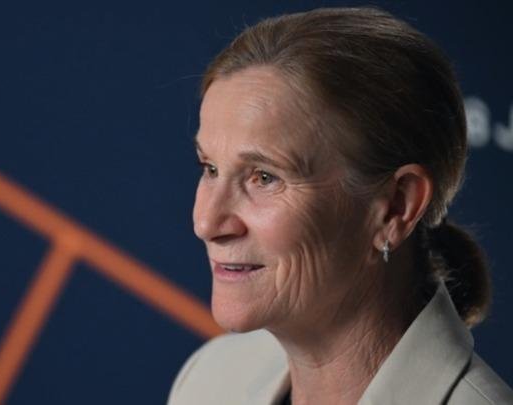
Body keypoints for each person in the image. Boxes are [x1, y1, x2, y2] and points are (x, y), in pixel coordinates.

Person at [168, 7, 513, 405]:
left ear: (396, 207)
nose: (206, 222)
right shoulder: (209, 378)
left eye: (264, 177)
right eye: (210, 168)